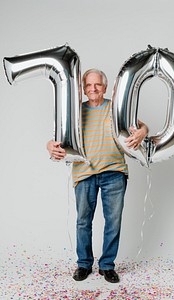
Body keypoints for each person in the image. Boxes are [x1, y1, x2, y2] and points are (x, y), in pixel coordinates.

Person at [47, 69, 148, 283]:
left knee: (114, 221)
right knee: (83, 221)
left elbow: (141, 126)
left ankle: (107, 266)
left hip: (114, 172)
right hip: (84, 173)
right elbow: (54, 137)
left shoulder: (115, 108)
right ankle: (83, 264)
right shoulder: (75, 112)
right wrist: (49, 146)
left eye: (97, 85)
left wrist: (142, 132)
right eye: (88, 85)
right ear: (83, 89)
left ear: (104, 86)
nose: (93, 89)